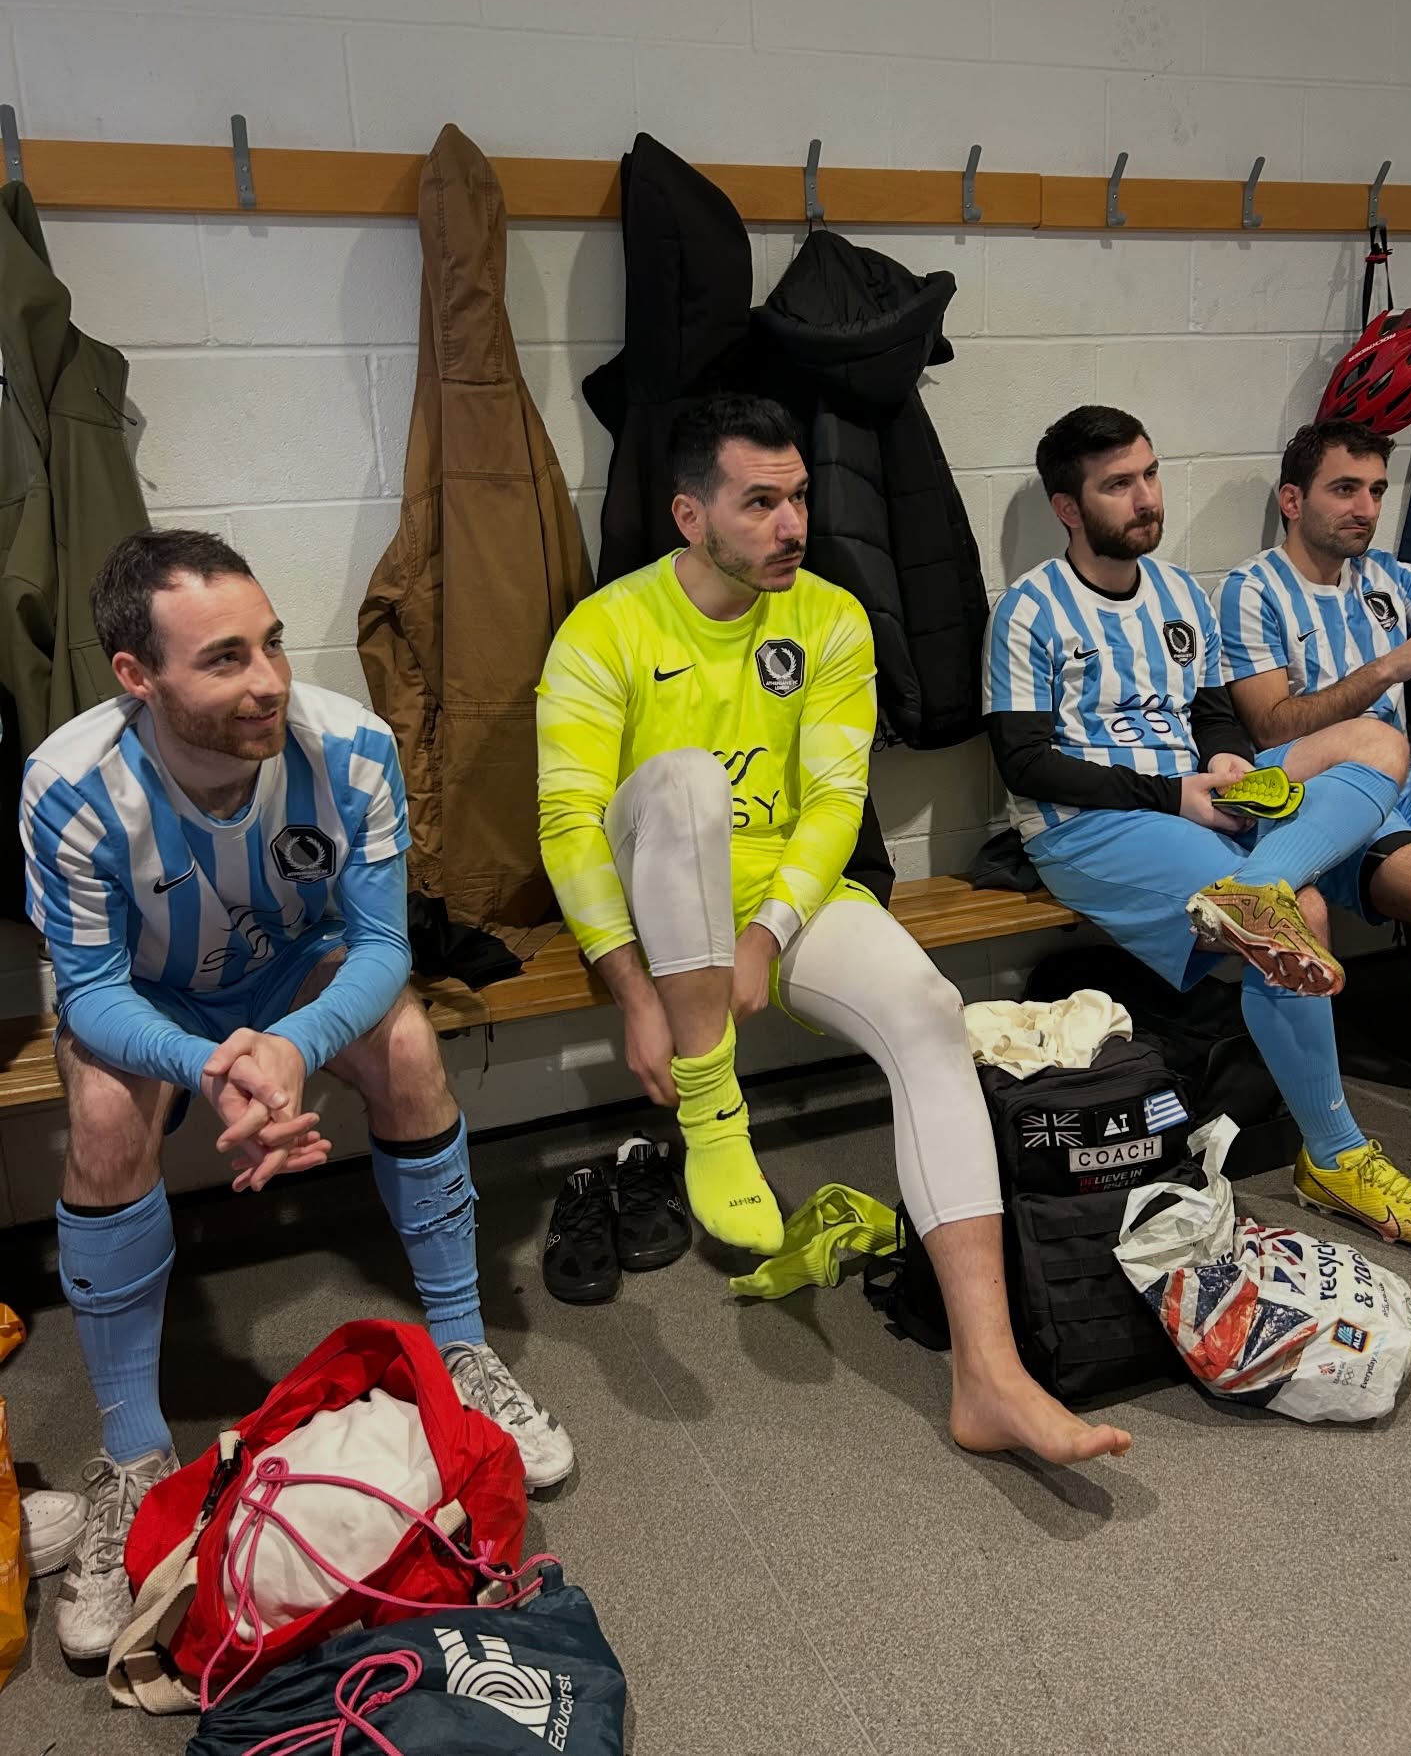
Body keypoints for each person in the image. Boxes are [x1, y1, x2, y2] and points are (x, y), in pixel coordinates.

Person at [536, 392, 1131, 1468]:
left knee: (930, 1012)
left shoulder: (832, 618)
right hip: (655, 896)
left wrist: (763, 936)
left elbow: (831, 804)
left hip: (782, 901)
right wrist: (633, 993)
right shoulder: (606, 627)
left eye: (800, 497)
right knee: (679, 787)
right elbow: (569, 822)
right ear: (688, 515)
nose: (792, 525)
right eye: (760, 502)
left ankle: (988, 1376)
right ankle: (716, 1121)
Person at [20, 530, 572, 1664]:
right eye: (223, 659)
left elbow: (378, 946)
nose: (267, 679)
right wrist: (214, 1065)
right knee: (109, 1115)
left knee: (410, 1045)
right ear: (138, 676)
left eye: (270, 644)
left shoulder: (350, 747)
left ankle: (463, 1360)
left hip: (292, 979)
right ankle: (132, 1457)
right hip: (151, 1000)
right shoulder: (70, 786)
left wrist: (290, 1044)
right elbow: (89, 990)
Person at [984, 404, 1411, 1251]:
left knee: (1376, 744)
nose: (1144, 498)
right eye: (1118, 485)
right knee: (1295, 916)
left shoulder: (1177, 592)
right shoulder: (1028, 609)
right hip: (1092, 826)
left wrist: (1227, 764)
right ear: (1070, 509)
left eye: (1149, 475)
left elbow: (1208, 714)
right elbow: (1024, 763)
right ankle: (1335, 1156)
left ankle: (1259, 880)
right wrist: (1176, 795)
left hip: (1197, 799)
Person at [1216, 419, 1411, 1043]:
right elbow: (1269, 726)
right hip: (1329, 800)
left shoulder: (1386, 574)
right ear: (1293, 500)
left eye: (1376, 491)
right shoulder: (1252, 590)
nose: (1365, 509)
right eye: (1345, 489)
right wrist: (1391, 667)